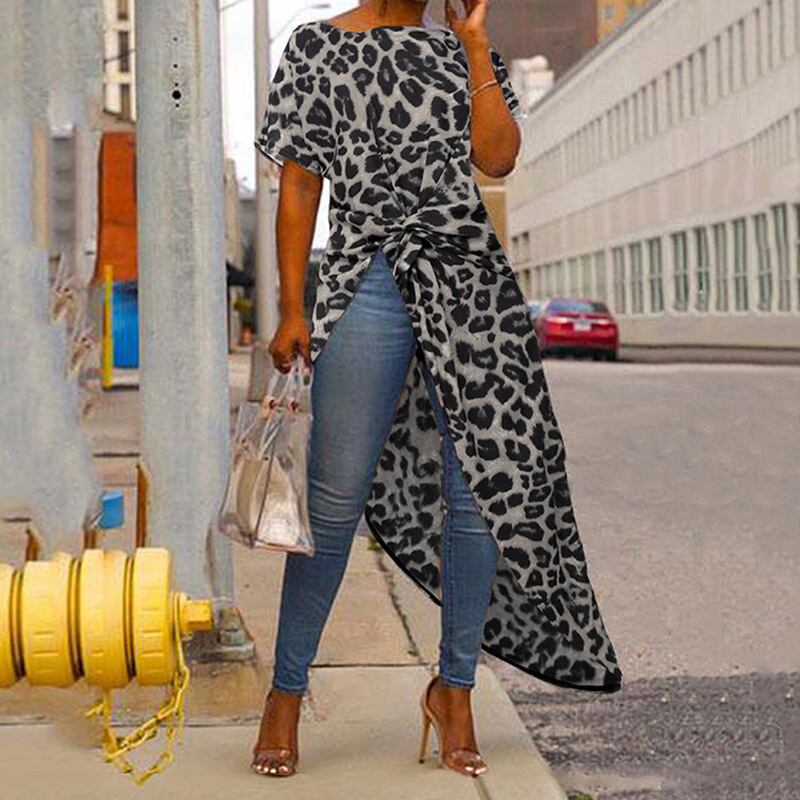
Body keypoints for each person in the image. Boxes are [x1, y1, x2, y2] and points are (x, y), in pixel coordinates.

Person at [250, 0, 623, 780]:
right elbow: (300, 186)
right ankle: (286, 693)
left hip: (470, 284)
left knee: (477, 494)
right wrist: (291, 306)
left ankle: (455, 690)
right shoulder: (316, 46)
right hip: (368, 280)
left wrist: (477, 45)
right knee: (334, 500)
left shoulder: (461, 51)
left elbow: (498, 159)